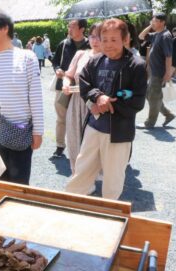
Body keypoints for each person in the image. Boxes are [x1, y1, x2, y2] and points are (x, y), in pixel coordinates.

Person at [65, 19, 147, 200]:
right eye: (105, 39)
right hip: (94, 127)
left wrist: (109, 104)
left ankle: (109, 213)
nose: (108, 45)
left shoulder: (137, 65)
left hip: (119, 133)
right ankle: (70, 205)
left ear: (125, 39)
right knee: (82, 170)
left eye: (114, 39)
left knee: (113, 179)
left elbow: (138, 101)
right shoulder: (95, 61)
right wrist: (97, 97)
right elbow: (85, 83)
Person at [0, 9, 44, 184]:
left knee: (19, 185)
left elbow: (35, 97)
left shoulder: (27, 58)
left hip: (18, 133)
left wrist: (38, 131)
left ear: (4, 28)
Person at [62, 23, 102, 173]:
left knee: (92, 143)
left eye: (99, 36)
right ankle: (76, 173)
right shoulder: (80, 54)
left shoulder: (109, 58)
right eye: (92, 36)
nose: (95, 40)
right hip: (76, 102)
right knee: (74, 139)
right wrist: (66, 84)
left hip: (96, 104)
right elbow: (69, 75)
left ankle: (91, 176)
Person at [52, 19, 89, 158]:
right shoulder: (64, 43)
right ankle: (60, 146)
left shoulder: (90, 44)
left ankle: (82, 147)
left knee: (81, 116)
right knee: (61, 117)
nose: (69, 29)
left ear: (82, 29)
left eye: (72, 26)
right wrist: (57, 69)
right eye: (69, 26)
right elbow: (55, 61)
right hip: (63, 85)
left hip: (82, 86)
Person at [138, 12, 176, 128]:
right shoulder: (157, 34)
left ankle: (150, 123)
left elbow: (168, 56)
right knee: (151, 95)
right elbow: (141, 36)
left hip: (159, 73)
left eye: (154, 21)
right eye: (152, 21)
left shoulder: (165, 36)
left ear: (162, 22)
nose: (152, 23)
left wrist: (168, 73)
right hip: (153, 71)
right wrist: (150, 26)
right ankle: (168, 114)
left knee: (153, 96)